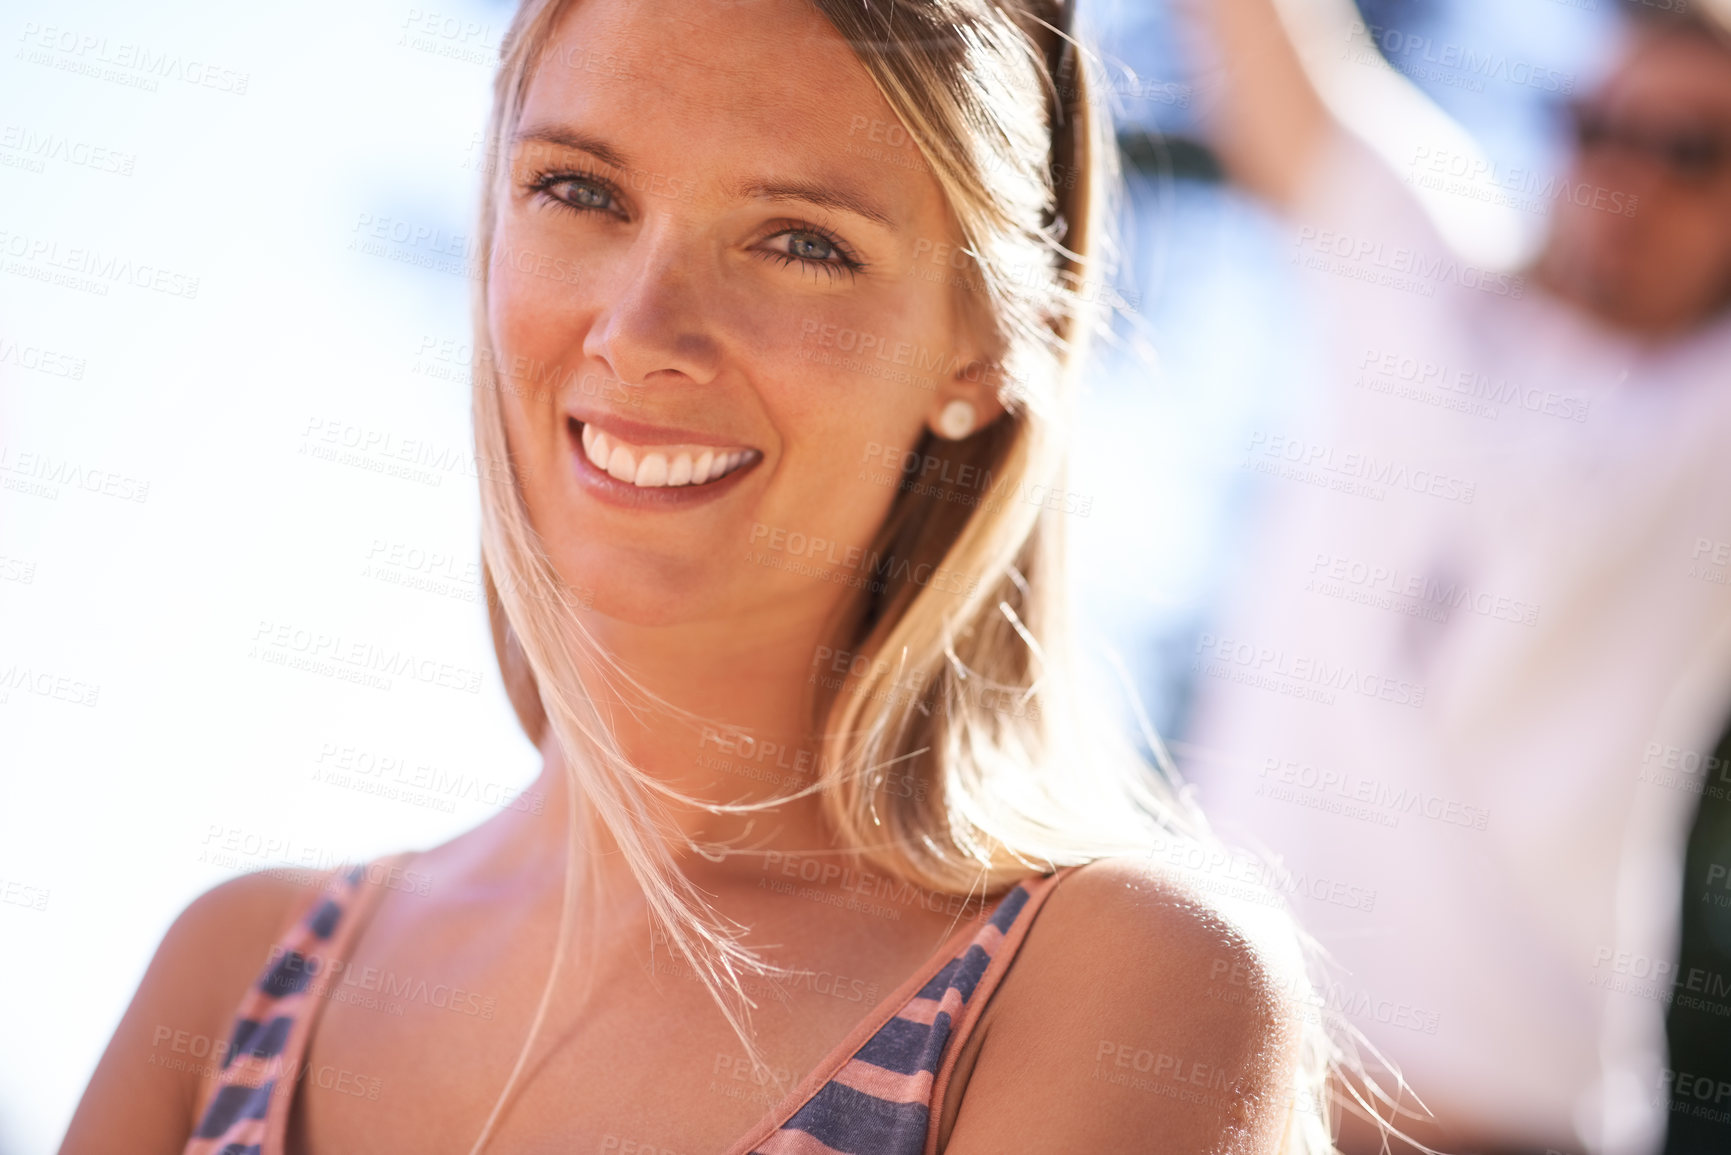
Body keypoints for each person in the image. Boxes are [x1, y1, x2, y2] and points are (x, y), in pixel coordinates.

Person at [55, 1, 1342, 1153]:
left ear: (983, 350)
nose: (639, 331)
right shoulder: (234, 985)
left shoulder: (1119, 985)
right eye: (581, 192)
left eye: (799, 241)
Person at [1180, 1, 1731, 1154]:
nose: (1628, 174)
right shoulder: (1418, 281)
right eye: (1596, 127)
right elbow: (1262, 41)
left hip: (1498, 1105)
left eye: (1693, 151)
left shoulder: (1706, 429)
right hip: (1216, 1059)